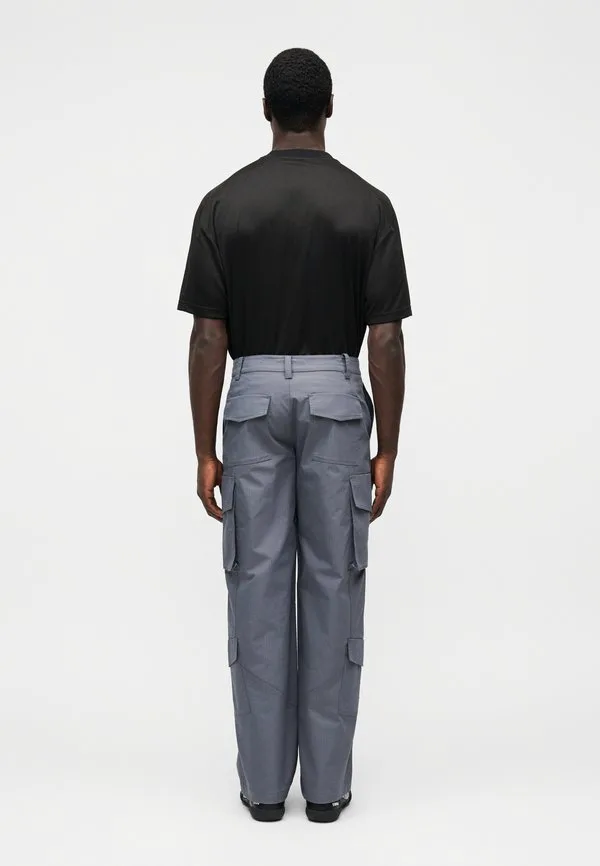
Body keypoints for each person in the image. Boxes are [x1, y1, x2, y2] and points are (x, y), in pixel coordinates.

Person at [177, 47, 411, 823]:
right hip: (338, 397)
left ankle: (264, 791)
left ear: (266, 110)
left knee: (257, 588)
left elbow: (208, 337)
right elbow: (385, 338)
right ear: (330, 107)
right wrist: (388, 446)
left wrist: (204, 446)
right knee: (334, 587)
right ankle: (327, 792)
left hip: (249, 400)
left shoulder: (222, 204)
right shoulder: (369, 205)